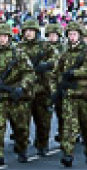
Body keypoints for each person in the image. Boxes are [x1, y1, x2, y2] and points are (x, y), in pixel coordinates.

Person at [0, 24, 34, 165]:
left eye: (4, 36)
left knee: (21, 128)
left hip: (16, 96)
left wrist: (22, 88)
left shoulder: (18, 54)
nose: (2, 39)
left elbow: (29, 73)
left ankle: (22, 148)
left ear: (9, 38)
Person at [53, 22, 87, 167]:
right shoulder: (64, 52)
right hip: (69, 95)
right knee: (69, 126)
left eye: (74, 34)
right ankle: (68, 154)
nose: (72, 37)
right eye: (70, 34)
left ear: (80, 36)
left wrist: (74, 73)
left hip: (86, 95)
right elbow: (55, 73)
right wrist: (55, 89)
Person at [20, 20, 59, 156]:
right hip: (25, 89)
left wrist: (46, 65)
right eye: (26, 30)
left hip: (42, 89)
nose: (29, 33)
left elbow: (57, 59)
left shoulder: (45, 47)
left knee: (43, 121)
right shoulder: (19, 47)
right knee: (22, 122)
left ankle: (42, 144)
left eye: (31, 30)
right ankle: (22, 148)